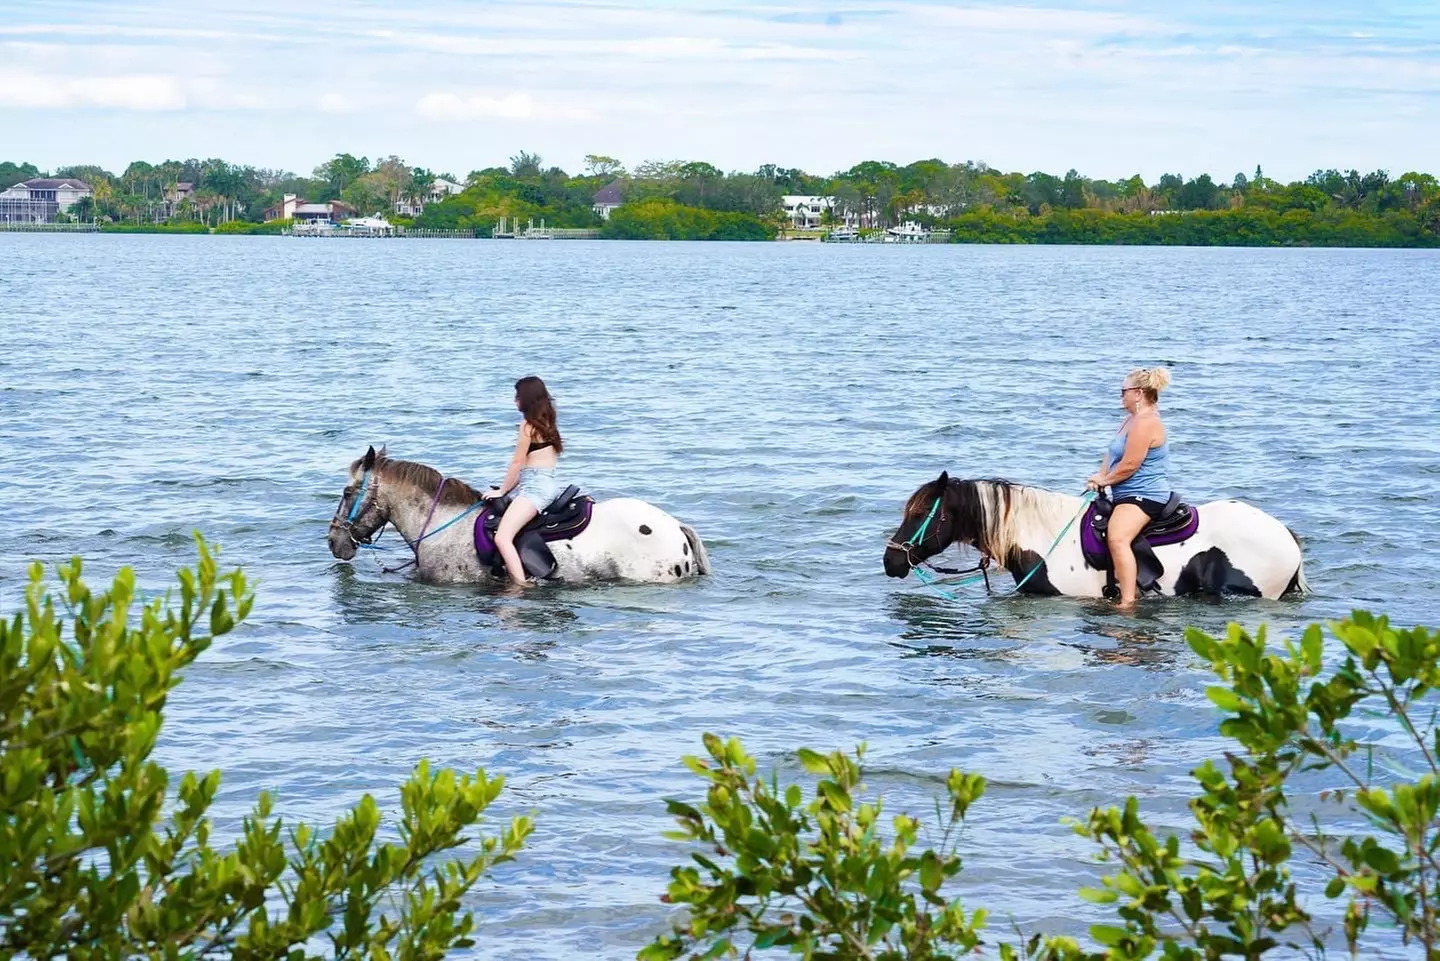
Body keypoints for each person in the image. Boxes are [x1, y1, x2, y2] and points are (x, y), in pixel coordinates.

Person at [1086, 367, 1173, 607]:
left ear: (1139, 393)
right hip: (1124, 491)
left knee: (1117, 537)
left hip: (1144, 494)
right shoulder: (1130, 420)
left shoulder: (1146, 423)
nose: (1120, 396)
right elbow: (1112, 453)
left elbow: (1130, 465)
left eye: (1123, 391)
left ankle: (1127, 601)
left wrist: (1106, 481)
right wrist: (1100, 474)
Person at [484, 376, 563, 585]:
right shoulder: (548, 422)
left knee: (502, 538)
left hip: (535, 488)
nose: (515, 401)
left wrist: (502, 491)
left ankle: (521, 585)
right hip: (544, 482)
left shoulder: (527, 426)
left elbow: (518, 463)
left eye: (517, 396)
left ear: (526, 399)